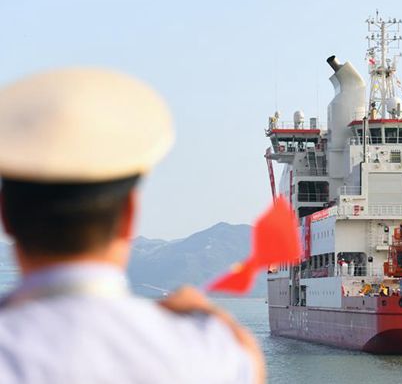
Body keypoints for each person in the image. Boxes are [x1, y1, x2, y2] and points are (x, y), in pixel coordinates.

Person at [0, 68, 264, 383]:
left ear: (5, 216)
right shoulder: (207, 354)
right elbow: (247, 362)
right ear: (129, 214)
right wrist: (210, 317)